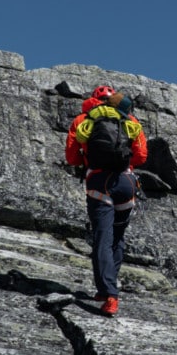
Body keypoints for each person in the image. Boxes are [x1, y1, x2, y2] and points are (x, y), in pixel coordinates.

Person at [65, 85, 148, 317]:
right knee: (118, 237)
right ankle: (107, 288)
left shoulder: (84, 119)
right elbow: (141, 156)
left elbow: (71, 157)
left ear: (94, 100)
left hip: (99, 182)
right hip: (126, 183)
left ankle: (109, 294)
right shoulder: (130, 120)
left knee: (102, 237)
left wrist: (87, 156)